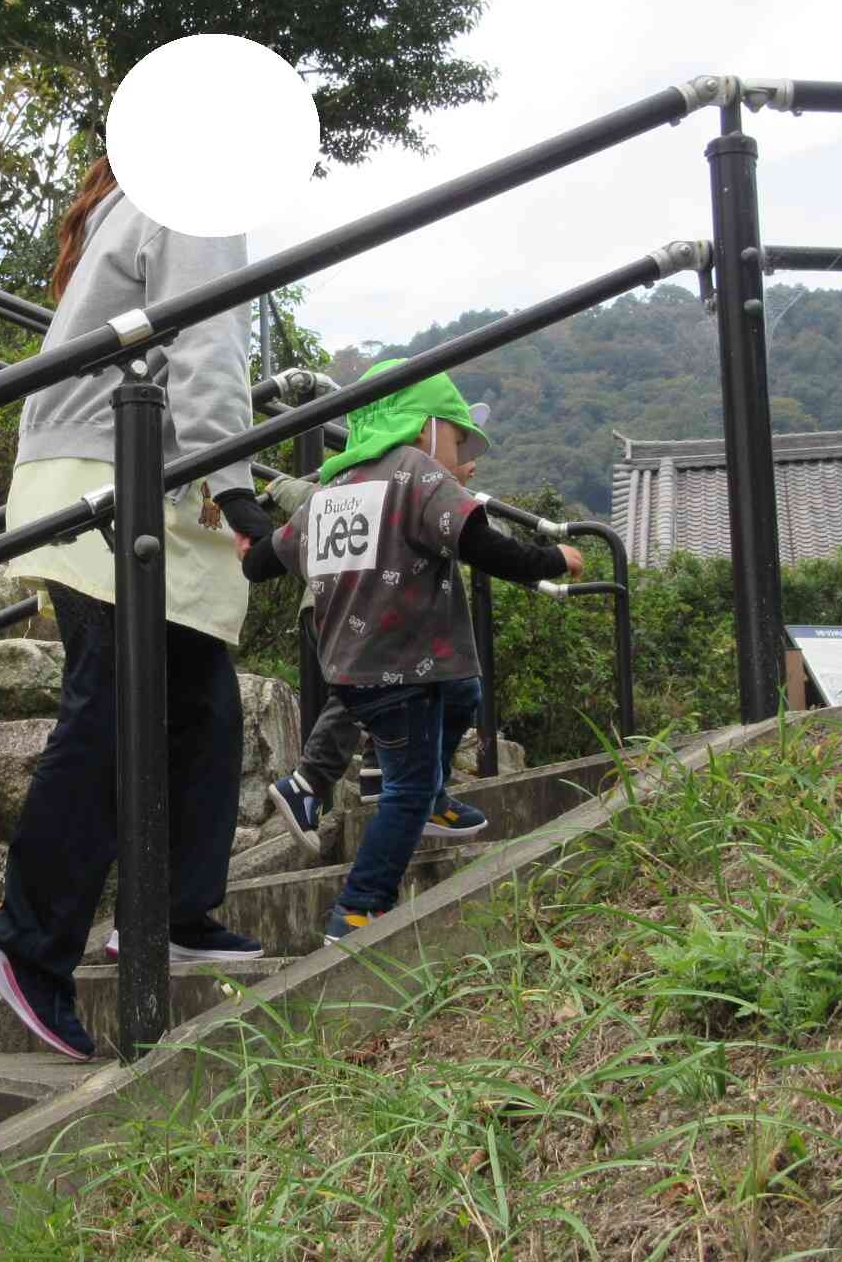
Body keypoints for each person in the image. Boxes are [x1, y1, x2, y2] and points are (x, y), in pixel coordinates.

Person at [0, 155, 274, 1062]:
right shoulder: (193, 196)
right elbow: (206, 345)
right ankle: (25, 940)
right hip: (115, 472)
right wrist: (239, 486)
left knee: (198, 703)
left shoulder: (130, 202)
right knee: (112, 711)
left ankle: (173, 907)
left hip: (98, 472)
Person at [238, 361, 583, 944]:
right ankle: (357, 911)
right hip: (404, 669)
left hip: (356, 671)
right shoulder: (416, 473)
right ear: (422, 426)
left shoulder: (335, 488)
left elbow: (265, 561)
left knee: (465, 691)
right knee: (405, 789)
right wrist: (553, 561)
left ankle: (435, 798)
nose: (456, 449)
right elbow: (482, 545)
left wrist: (247, 542)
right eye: (453, 434)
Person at [263, 399, 498, 854]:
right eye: (456, 445)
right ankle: (309, 782)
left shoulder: (414, 483)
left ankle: (378, 773)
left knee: (396, 687)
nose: (467, 463)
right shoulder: (374, 475)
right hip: (349, 604)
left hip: (368, 607)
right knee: (365, 687)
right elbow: (310, 502)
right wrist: (278, 486)